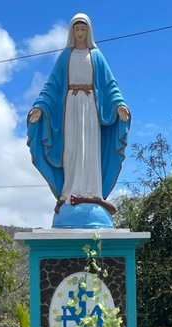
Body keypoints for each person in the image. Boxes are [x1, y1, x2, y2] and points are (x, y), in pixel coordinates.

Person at [27, 13, 130, 225]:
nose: (80, 33)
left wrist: (119, 104)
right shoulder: (66, 56)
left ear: (88, 31)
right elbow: (52, 85)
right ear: (72, 32)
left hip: (91, 107)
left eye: (83, 29)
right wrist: (39, 106)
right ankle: (69, 191)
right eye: (77, 29)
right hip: (70, 109)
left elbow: (110, 85)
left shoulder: (97, 56)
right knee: (72, 148)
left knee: (90, 148)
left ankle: (92, 192)